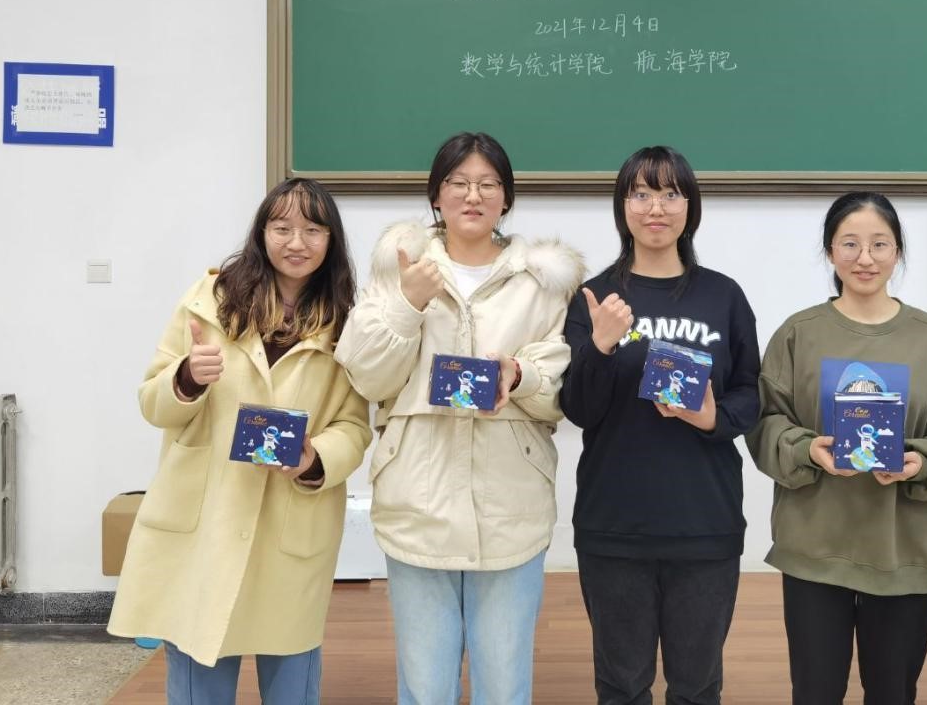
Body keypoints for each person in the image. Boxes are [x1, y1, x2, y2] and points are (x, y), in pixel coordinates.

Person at [334, 132, 584, 705]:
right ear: (436, 195)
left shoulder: (544, 284)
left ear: (506, 198)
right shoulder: (397, 270)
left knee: (505, 682)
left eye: (488, 184)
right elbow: (367, 377)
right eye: (459, 183)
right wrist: (407, 304)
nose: (473, 195)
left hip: (511, 503)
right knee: (425, 686)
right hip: (417, 501)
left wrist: (519, 375)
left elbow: (562, 389)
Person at [108, 178, 371, 704]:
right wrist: (187, 377)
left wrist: (316, 458)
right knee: (198, 671)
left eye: (312, 230)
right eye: (282, 228)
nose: (296, 242)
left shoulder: (349, 321)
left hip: (288, 519)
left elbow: (356, 426)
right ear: (261, 233)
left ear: (331, 240)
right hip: (207, 517)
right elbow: (152, 402)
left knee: (292, 676)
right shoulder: (209, 302)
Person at [747, 191, 927, 705]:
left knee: (893, 692)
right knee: (815, 692)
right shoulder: (798, 334)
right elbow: (764, 425)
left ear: (897, 252)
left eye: (880, 244)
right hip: (815, 548)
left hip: (904, 551)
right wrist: (808, 450)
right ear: (830, 251)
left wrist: (921, 462)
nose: (865, 258)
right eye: (849, 243)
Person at [560, 145, 760, 705]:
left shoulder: (723, 296)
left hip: (704, 522)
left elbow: (752, 392)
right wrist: (600, 345)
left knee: (697, 687)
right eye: (641, 193)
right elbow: (577, 408)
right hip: (613, 525)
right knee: (621, 687)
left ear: (690, 207)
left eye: (671, 193)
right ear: (622, 206)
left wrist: (712, 416)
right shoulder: (595, 298)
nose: (656, 207)